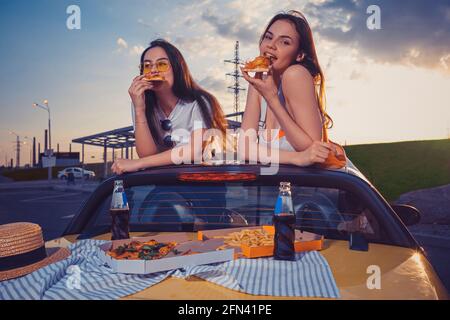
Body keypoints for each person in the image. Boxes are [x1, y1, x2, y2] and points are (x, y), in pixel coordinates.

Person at [239, 10, 342, 166]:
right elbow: (245, 149)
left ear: (299, 55)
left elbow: (313, 150)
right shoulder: (258, 83)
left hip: (303, 187)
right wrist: (297, 158)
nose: (271, 45)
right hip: (273, 186)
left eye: (284, 42)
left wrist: (272, 98)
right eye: (268, 37)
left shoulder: (296, 75)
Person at [111, 39, 227, 174]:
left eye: (161, 64)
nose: (153, 70)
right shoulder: (140, 101)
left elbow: (194, 150)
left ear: (177, 68)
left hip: (203, 182)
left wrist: (137, 163)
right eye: (147, 66)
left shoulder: (200, 102)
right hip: (166, 182)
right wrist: (139, 110)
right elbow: (147, 155)